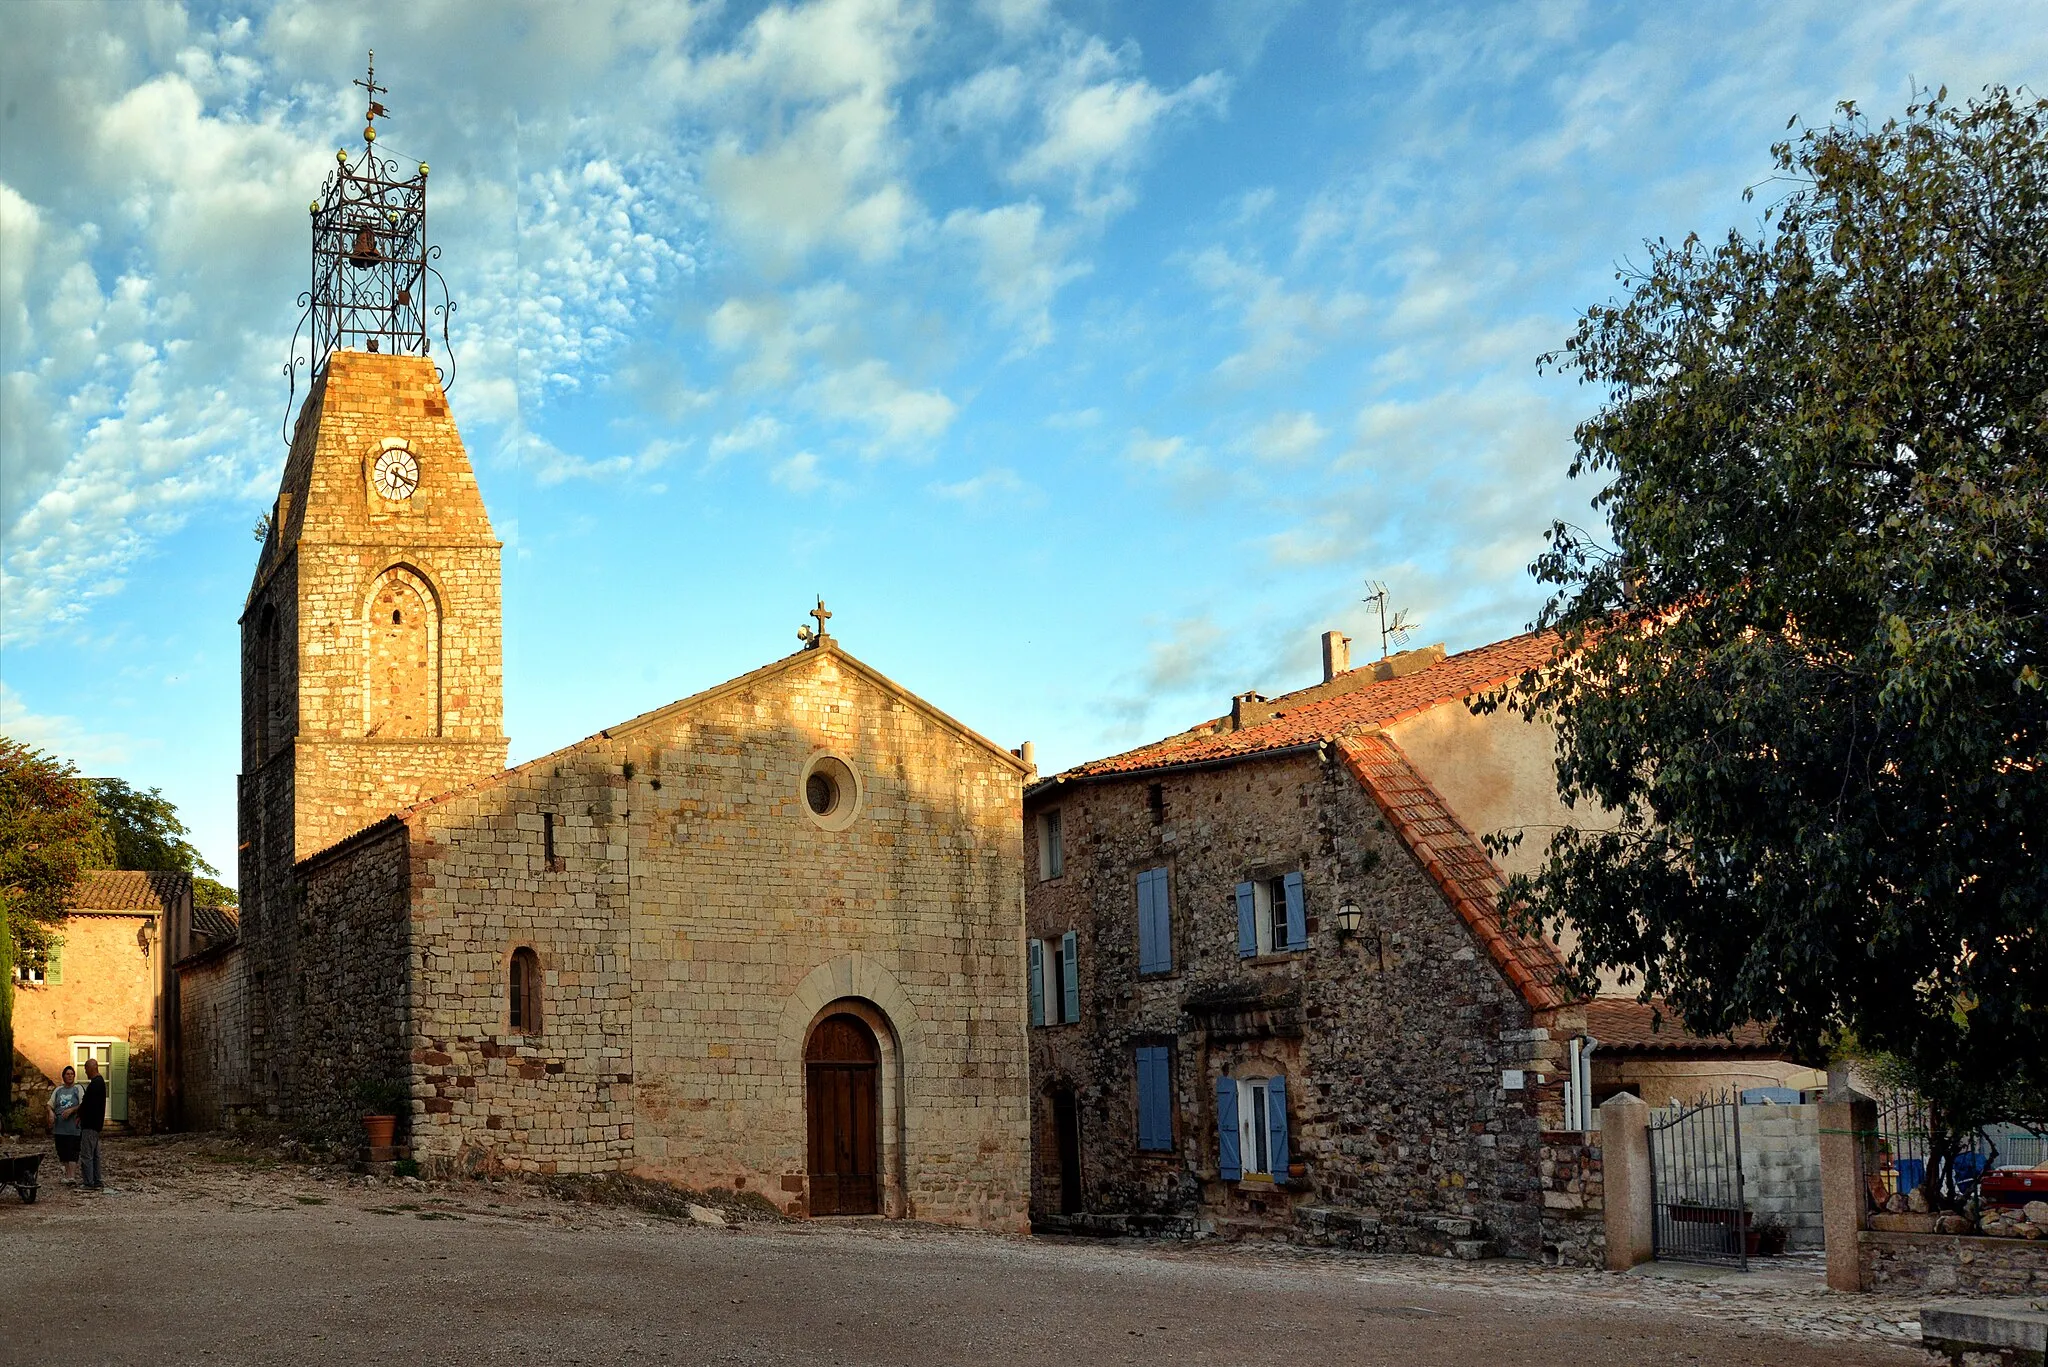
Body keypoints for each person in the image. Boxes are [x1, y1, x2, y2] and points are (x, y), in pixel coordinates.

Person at [76, 1057, 108, 1192]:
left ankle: (89, 1182)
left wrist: (80, 1115)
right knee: (95, 1155)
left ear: (92, 1068)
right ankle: (97, 1180)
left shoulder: (95, 1084)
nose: (85, 1072)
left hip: (90, 1124)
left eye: (86, 1069)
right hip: (95, 1124)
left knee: (87, 1155)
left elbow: (88, 1104)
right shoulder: (100, 1083)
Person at [48, 1065, 83, 1184]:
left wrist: (72, 1110)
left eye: (72, 1074)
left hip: (73, 1127)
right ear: (63, 1076)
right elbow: (50, 1104)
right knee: (62, 1151)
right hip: (59, 1128)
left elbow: (83, 1104)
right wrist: (50, 1113)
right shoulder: (58, 1090)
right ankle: (67, 1175)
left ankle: (72, 1176)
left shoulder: (78, 1088)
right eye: (67, 1074)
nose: (70, 1076)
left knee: (72, 1150)